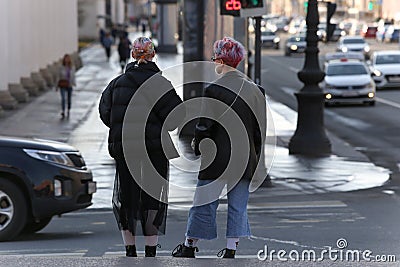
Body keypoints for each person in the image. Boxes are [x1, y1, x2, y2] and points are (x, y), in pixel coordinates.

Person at [172, 37, 266, 259]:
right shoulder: (255, 91)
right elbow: (259, 132)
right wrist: (257, 161)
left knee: (204, 203)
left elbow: (205, 124)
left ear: (222, 61)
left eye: (215, 58)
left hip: (217, 157)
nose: (213, 62)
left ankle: (189, 245)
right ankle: (231, 249)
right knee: (238, 205)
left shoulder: (214, 89)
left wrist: (197, 144)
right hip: (244, 158)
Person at [99, 37, 185, 257]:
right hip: (154, 151)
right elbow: (176, 118)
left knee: (126, 196)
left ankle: (129, 249)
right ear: (153, 55)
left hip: (126, 150)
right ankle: (150, 250)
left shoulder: (117, 83)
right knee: (152, 198)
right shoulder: (161, 84)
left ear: (132, 55)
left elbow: (106, 113)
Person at [57, 54, 76, 119]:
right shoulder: (61, 67)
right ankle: (63, 110)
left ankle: (68, 108)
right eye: (65, 59)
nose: (67, 60)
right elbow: (58, 76)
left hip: (69, 85)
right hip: (63, 84)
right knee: (63, 98)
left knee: (69, 98)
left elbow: (73, 76)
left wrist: (74, 83)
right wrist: (56, 86)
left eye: (68, 59)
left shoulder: (72, 67)